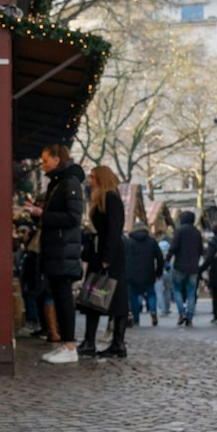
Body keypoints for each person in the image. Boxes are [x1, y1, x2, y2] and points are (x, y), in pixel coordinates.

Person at [35, 145, 87, 363]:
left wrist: (43, 215)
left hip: (63, 250)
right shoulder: (59, 183)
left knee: (63, 297)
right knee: (58, 295)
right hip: (57, 249)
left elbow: (73, 218)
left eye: (46, 160)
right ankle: (65, 344)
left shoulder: (69, 183)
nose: (43, 164)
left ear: (57, 160)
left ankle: (69, 346)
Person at [80, 166, 129, 358]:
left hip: (109, 256)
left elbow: (114, 230)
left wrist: (107, 258)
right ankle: (91, 341)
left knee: (111, 299)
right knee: (93, 297)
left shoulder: (111, 198)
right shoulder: (103, 198)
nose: (90, 181)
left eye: (92, 177)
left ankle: (117, 342)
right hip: (101, 253)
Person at [169, 210, 205, 326]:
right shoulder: (197, 232)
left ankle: (181, 313)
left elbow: (173, 247)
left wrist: (167, 259)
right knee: (191, 293)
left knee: (177, 290)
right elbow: (201, 250)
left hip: (179, 266)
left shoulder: (179, 231)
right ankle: (189, 316)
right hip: (193, 267)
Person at [125, 221, 163, 326]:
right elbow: (160, 258)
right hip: (148, 273)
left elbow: (123, 258)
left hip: (132, 275)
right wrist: (159, 272)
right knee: (151, 294)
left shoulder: (129, 242)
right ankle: (153, 311)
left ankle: (136, 319)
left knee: (133, 296)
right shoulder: (152, 241)